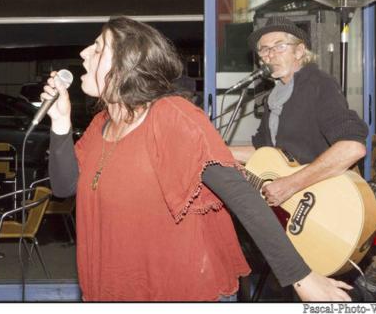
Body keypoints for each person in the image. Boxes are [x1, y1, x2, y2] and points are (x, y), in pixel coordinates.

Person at [42, 16, 353, 301]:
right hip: (113, 290)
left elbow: (241, 194)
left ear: (129, 62)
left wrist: (301, 277)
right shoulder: (100, 126)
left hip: (180, 290)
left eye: (98, 48)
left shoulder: (171, 114)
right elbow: (64, 186)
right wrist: (60, 122)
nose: (83, 53)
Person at [229, 16, 368, 207]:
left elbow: (352, 147)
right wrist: (218, 152)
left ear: (299, 51)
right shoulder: (275, 97)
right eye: (264, 49)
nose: (271, 55)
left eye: (279, 46)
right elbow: (262, 150)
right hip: (294, 204)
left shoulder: (318, 84)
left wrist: (291, 184)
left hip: (322, 203)